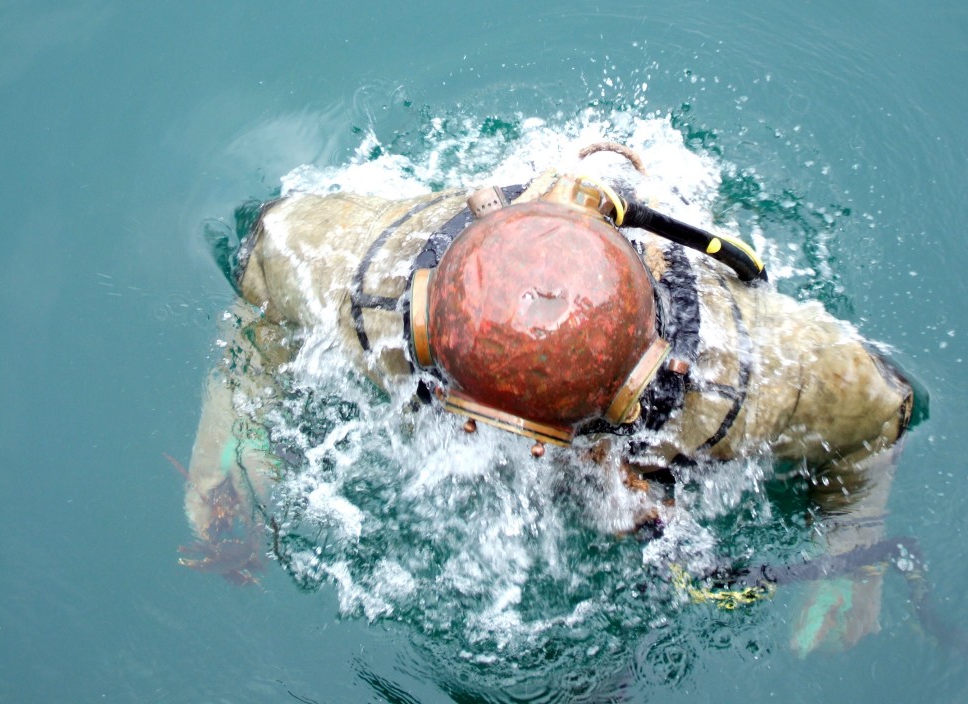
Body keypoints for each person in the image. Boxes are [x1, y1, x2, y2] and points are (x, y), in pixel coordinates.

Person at [180, 143, 917, 654]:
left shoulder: (747, 378)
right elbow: (269, 264)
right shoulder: (370, 282)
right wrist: (237, 418)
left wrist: (855, 542)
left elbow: (881, 411)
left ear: (633, 391)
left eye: (548, 433)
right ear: (429, 327)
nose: (508, 450)